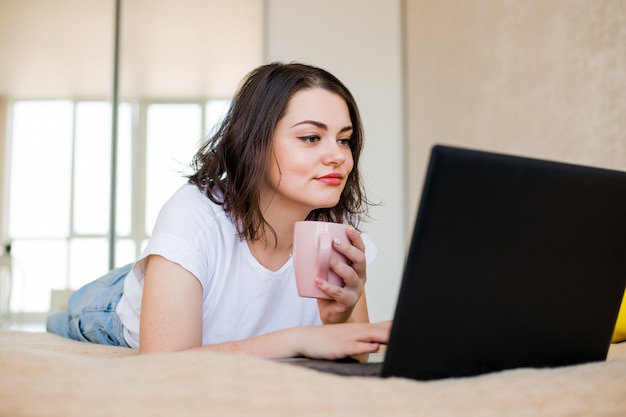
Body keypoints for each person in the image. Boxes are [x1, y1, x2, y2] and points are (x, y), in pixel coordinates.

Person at [47, 62, 390, 360]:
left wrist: (339, 319)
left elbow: (356, 352)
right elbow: (163, 361)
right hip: (112, 304)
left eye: (344, 140)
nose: (338, 157)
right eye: (312, 138)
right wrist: (297, 339)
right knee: (65, 318)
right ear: (255, 142)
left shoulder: (335, 223)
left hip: (189, 277)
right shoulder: (194, 214)